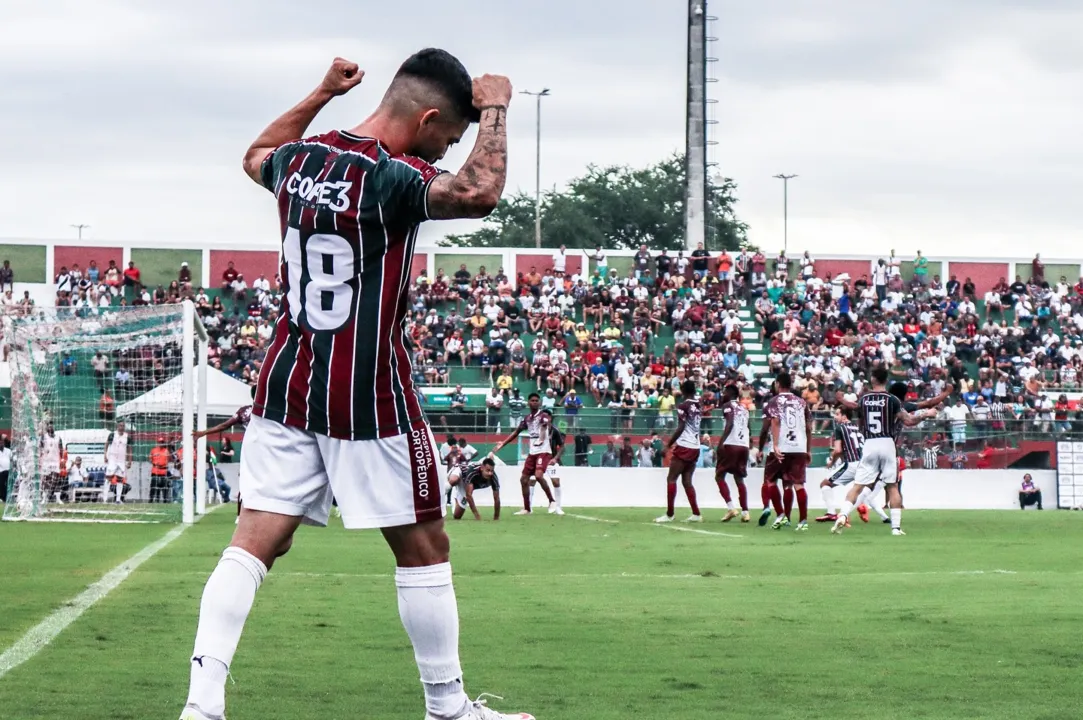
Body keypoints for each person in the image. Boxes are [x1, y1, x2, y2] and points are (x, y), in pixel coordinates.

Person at [179, 53, 533, 720]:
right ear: (428, 119)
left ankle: (201, 706)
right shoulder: (393, 178)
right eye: (448, 137)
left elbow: (257, 151)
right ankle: (448, 709)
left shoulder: (300, 161)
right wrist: (495, 109)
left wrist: (319, 92)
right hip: (369, 395)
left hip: (286, 384)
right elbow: (480, 193)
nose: (448, 151)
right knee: (424, 546)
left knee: (255, 540)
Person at [832, 366, 934, 536]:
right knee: (892, 486)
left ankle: (842, 515)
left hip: (870, 443)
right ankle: (895, 528)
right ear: (886, 380)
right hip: (887, 443)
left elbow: (853, 407)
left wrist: (841, 399)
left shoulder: (864, 399)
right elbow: (908, 421)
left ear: (872, 379)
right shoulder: (892, 399)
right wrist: (926, 414)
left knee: (858, 486)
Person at [815, 407, 887, 524]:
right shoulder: (859, 428)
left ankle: (832, 513)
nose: (835, 417)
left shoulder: (840, 428)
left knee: (825, 484)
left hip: (852, 464)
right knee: (863, 492)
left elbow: (838, 450)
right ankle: (883, 517)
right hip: (866, 464)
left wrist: (831, 463)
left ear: (844, 416)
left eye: (837, 414)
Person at [489, 393, 558, 516]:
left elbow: (544, 425)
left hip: (544, 451)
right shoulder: (527, 419)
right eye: (532, 400)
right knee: (523, 479)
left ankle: (552, 501)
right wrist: (502, 444)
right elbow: (516, 432)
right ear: (528, 402)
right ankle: (527, 508)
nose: (535, 402)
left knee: (538, 475)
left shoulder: (543, 416)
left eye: (537, 400)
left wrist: (542, 438)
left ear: (540, 403)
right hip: (533, 452)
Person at [193, 395, 253, 522]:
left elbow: (224, 426)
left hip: (252, 450)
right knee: (249, 483)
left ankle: (241, 516)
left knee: (246, 483)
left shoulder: (245, 411)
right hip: (261, 451)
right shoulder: (266, 410)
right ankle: (244, 515)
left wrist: (203, 433)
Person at [764, 372, 812, 530]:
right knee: (797, 484)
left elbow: (775, 421)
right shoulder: (801, 402)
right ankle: (803, 521)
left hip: (782, 446)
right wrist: (808, 449)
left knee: (770, 480)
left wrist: (776, 445)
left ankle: (781, 515)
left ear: (778, 384)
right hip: (799, 447)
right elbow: (809, 427)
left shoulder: (774, 401)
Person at [654, 380, 704, 523]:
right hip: (695, 446)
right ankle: (696, 514)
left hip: (685, 446)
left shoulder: (683, 405)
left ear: (683, 390)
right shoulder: (697, 405)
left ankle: (670, 514)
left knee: (671, 479)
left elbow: (681, 427)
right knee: (687, 481)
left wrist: (668, 445)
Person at [714, 384, 750, 522]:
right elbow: (748, 428)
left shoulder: (728, 405)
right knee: (739, 479)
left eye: (724, 392)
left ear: (729, 393)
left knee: (719, 476)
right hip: (744, 445)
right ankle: (745, 512)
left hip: (731, 444)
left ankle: (731, 508)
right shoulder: (744, 408)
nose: (723, 395)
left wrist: (721, 442)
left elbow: (730, 424)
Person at [104, 420, 132, 504]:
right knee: (108, 478)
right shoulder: (112, 435)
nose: (121, 427)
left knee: (120, 479)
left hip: (121, 461)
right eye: (120, 426)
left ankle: (118, 500)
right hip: (112, 460)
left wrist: (130, 461)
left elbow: (130, 450)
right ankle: (105, 499)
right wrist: (105, 455)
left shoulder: (127, 437)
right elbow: (106, 445)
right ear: (117, 426)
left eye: (123, 426)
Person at [39, 423, 63, 506]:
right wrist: (42, 452)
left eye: (52, 425)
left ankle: (56, 498)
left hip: (55, 461)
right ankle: (44, 498)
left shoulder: (58, 437)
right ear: (47, 428)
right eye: (49, 426)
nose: (51, 427)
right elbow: (40, 447)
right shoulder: (44, 437)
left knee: (55, 480)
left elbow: (61, 448)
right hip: (46, 461)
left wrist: (62, 459)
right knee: (45, 480)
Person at [150, 438, 172, 503]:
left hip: (163, 471)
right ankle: (151, 500)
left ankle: (165, 500)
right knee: (153, 486)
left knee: (165, 487)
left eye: (162, 442)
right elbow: (150, 459)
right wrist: (155, 463)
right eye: (160, 442)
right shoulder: (153, 450)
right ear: (158, 443)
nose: (161, 443)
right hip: (155, 470)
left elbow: (169, 459)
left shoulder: (166, 451)